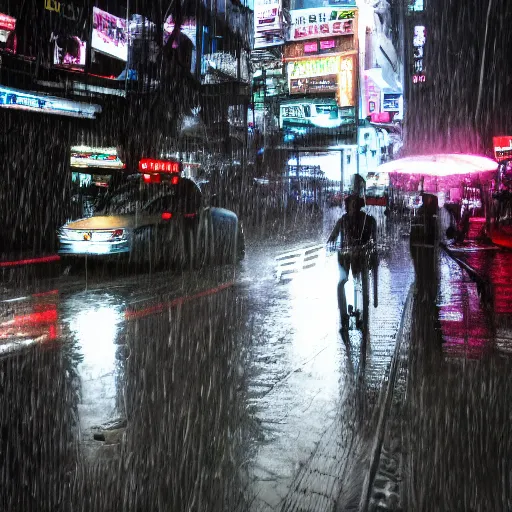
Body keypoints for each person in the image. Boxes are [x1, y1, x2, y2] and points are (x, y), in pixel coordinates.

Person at [328, 194, 377, 333]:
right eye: (351, 203)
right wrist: (332, 245)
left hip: (360, 257)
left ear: (360, 205)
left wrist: (367, 249)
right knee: (342, 282)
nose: (353, 206)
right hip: (345, 257)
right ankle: (344, 315)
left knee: (359, 283)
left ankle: (360, 312)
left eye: (356, 203)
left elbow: (373, 242)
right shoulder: (343, 220)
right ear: (347, 205)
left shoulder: (367, 220)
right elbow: (332, 237)